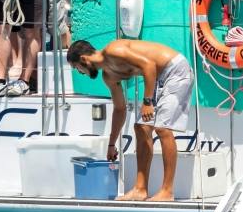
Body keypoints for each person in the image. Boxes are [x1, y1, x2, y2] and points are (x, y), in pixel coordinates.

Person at [69, 37, 193, 202]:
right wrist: (112, 145)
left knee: (162, 128)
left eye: (77, 69)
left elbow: (148, 65)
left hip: (175, 69)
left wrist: (147, 101)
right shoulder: (109, 76)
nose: (81, 73)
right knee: (141, 127)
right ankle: (140, 189)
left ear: (83, 59)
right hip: (158, 77)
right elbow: (119, 109)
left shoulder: (114, 51)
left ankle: (167, 191)